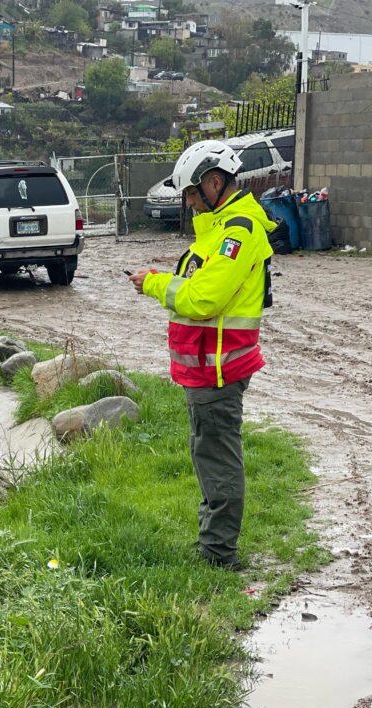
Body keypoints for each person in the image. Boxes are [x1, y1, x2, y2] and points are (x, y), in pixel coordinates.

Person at [128, 140, 276, 570]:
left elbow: (203, 299)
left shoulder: (238, 233)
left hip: (219, 370)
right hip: (206, 370)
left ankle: (218, 554)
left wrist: (155, 285)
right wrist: (161, 277)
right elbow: (197, 284)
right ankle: (213, 544)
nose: (189, 203)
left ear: (215, 183)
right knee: (208, 454)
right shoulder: (219, 232)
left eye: (192, 193)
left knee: (217, 459)